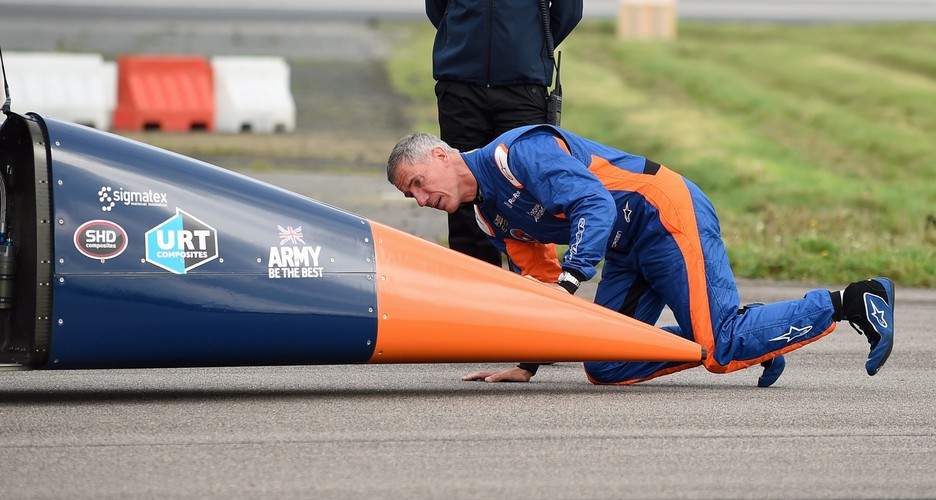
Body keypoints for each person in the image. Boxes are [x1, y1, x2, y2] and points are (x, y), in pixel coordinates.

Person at [385, 125, 896, 387]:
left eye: (418, 184)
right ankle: (752, 336)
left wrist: (574, 274)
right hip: (625, 248)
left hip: (664, 212)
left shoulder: (516, 154)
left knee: (718, 350)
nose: (422, 199)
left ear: (441, 156)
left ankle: (855, 300)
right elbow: (539, 283)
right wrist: (529, 362)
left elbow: (593, 203)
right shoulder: (486, 217)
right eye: (412, 197)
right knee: (605, 365)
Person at [426, 0, 583, 267]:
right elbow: (438, 7)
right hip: (460, 86)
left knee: (530, 196)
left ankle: (532, 295)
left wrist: (528, 47)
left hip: (523, 89)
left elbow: (568, 11)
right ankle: (473, 296)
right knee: (462, 193)